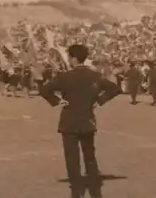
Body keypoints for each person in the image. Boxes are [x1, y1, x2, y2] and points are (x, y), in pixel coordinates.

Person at [39, 45, 121, 198]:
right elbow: (115, 88)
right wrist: (99, 100)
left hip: (69, 122)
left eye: (69, 57)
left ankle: (76, 192)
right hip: (87, 121)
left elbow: (44, 89)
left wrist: (57, 101)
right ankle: (95, 191)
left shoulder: (65, 76)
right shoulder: (95, 76)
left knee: (72, 159)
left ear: (74, 59)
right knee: (90, 156)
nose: (68, 60)